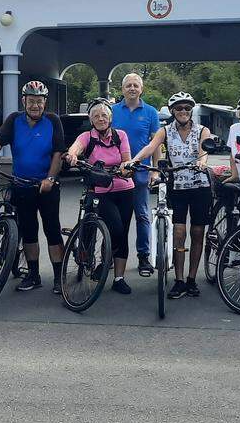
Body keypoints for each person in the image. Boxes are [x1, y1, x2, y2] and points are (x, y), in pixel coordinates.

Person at [0, 80, 66, 293]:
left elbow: (58, 153)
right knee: (28, 232)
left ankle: (58, 277)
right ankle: (33, 275)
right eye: (32, 101)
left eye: (40, 101)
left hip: (47, 186)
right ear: (24, 101)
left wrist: (50, 179)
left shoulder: (53, 120)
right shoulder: (14, 120)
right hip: (22, 185)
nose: (36, 105)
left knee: (52, 230)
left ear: (45, 102)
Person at [127, 91, 213, 299]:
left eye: (186, 108)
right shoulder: (165, 130)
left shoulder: (203, 130)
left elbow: (205, 152)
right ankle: (179, 280)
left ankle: (192, 279)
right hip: (177, 188)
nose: (183, 111)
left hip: (200, 187)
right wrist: (134, 160)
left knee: (198, 233)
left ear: (191, 111)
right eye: (179, 108)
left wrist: (202, 163)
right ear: (173, 111)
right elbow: (151, 147)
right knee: (179, 233)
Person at [64, 99, 137, 294]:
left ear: (111, 118)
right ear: (91, 119)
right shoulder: (87, 136)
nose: (100, 118)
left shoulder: (120, 135)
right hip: (101, 191)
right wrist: (72, 155)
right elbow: (76, 147)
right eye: (96, 116)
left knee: (122, 234)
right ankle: (96, 259)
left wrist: (126, 168)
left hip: (125, 189)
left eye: (104, 115)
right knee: (116, 228)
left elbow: (127, 160)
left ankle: (118, 278)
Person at [110, 73, 161, 277]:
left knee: (141, 216)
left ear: (142, 89)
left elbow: (155, 143)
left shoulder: (150, 112)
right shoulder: (112, 111)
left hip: (140, 174)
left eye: (135, 85)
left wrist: (156, 169)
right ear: (122, 89)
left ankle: (143, 257)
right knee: (115, 218)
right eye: (128, 85)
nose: (132, 88)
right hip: (116, 173)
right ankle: (111, 256)